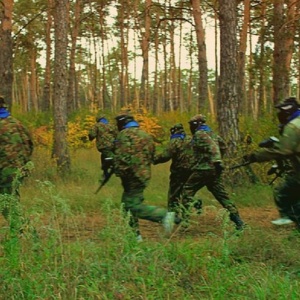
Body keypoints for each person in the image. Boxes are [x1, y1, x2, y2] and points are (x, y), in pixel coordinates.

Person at [113, 113, 178, 241]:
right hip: (143, 175)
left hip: (131, 175)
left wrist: (116, 169)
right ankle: (135, 237)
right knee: (127, 205)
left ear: (122, 123)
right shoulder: (146, 135)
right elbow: (152, 157)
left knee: (132, 206)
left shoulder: (123, 135)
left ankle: (164, 216)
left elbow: (121, 158)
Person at [181, 114, 245, 230]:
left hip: (203, 170)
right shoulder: (212, 133)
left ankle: (185, 219)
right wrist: (218, 162)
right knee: (222, 196)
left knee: (187, 190)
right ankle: (238, 221)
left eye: (191, 124)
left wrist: (216, 160)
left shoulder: (200, 134)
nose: (190, 127)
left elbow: (213, 147)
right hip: (214, 171)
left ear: (196, 124)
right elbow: (223, 146)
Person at [244, 97, 300, 231]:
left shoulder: (293, 126)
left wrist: (256, 156)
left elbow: (283, 150)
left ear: (287, 111)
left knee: (283, 193)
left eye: (281, 111)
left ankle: (289, 217)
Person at [153, 123, 202, 218]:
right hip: (192, 170)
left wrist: (154, 159)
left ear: (173, 131)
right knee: (187, 192)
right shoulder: (191, 138)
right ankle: (195, 204)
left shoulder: (175, 141)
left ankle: (173, 216)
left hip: (179, 171)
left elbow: (166, 156)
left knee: (174, 194)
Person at [0, 97, 33, 232]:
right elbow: (30, 145)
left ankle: (28, 236)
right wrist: (22, 164)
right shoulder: (18, 124)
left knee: (8, 205)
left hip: (3, 172)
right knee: (11, 202)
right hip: (17, 170)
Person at [88, 113, 117, 180]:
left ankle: (113, 171)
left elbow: (92, 135)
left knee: (110, 159)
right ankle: (105, 173)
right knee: (104, 158)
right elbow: (117, 135)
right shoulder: (111, 125)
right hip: (113, 146)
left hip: (104, 146)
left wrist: (90, 137)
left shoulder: (97, 125)